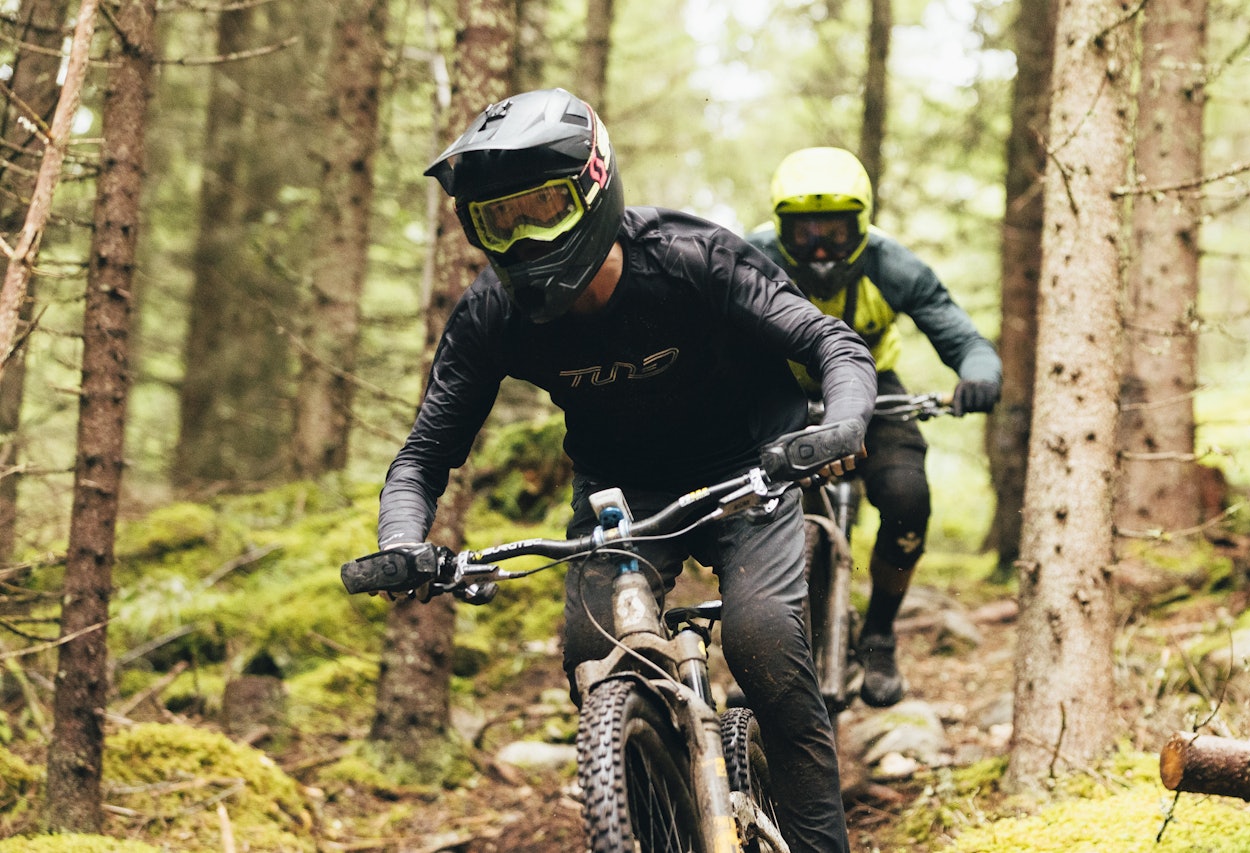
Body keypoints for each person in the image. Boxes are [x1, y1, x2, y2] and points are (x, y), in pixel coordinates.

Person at [377, 89, 877, 851]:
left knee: (764, 639)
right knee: (590, 655)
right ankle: (660, 816)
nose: (523, 239)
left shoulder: (690, 258)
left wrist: (839, 425)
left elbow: (832, 343)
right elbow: (423, 455)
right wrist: (404, 538)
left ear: (595, 185)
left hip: (754, 463)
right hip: (623, 491)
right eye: (498, 221)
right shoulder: (492, 314)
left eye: (541, 207)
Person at [747, 146, 1003, 709]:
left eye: (836, 235)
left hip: (874, 392)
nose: (819, 250)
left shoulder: (892, 265)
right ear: (779, 228)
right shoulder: (750, 258)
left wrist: (978, 376)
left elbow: (961, 336)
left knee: (907, 495)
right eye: (805, 233)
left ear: (861, 227)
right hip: (782, 392)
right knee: (762, 509)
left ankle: (880, 633)